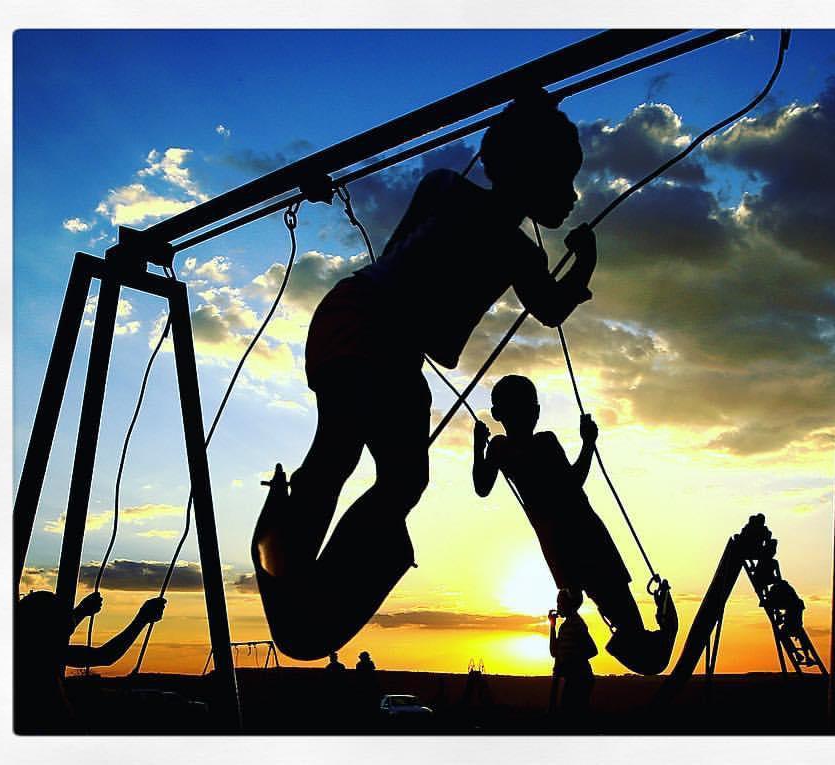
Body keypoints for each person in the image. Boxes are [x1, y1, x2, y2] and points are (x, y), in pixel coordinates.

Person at [252, 87, 599, 660]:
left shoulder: (444, 187)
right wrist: (584, 260)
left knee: (397, 475)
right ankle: (294, 580)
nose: (571, 195)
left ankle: (309, 580)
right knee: (345, 450)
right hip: (369, 326)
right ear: (530, 173)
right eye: (563, 180)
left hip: (368, 324)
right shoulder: (514, 247)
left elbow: (396, 255)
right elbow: (550, 307)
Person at [473, 374, 676, 675]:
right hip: (585, 535)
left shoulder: (500, 449)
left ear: (498, 414)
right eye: (529, 408)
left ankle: (638, 650)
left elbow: (481, 486)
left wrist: (478, 447)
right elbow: (572, 482)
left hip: (559, 546)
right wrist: (588, 444)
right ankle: (645, 650)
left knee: (615, 611)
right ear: (535, 412)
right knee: (621, 610)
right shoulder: (543, 443)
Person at [15, 590, 166, 733]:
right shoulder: (42, 653)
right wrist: (142, 619)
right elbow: (105, 655)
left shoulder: (25, 645)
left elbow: (59, 629)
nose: (68, 618)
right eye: (60, 615)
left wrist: (82, 610)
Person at [548, 589, 596, 720]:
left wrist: (571, 663)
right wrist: (552, 626)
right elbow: (554, 652)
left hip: (580, 679)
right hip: (577, 678)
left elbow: (592, 650)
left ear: (568, 604)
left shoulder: (576, 624)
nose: (558, 606)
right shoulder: (567, 626)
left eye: (560, 603)